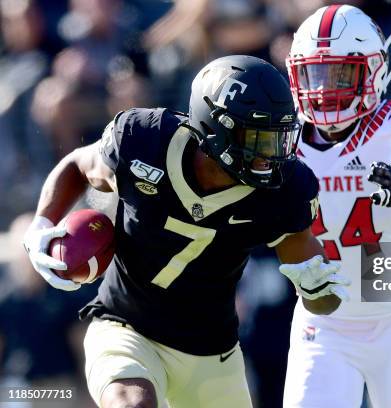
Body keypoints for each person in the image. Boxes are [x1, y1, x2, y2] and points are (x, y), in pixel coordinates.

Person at [22, 55, 350, 408]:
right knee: (133, 403)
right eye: (258, 138)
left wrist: (318, 286)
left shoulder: (284, 189)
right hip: (126, 327)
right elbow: (78, 165)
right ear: (216, 127)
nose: (269, 156)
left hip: (210, 354)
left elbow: (321, 298)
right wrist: (42, 222)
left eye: (277, 139)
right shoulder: (144, 139)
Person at [284, 5, 391, 407]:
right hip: (321, 327)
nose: (324, 89)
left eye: (339, 73)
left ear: (373, 70)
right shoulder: (282, 137)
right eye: (314, 74)